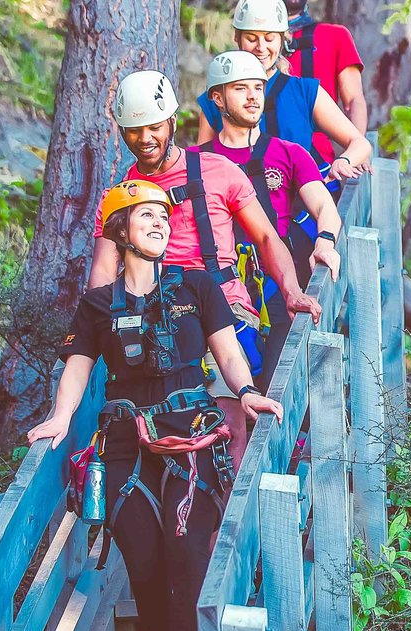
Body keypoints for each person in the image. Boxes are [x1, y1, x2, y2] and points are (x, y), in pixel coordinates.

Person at [29, 179, 282, 631]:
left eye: (164, 217)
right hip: (125, 446)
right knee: (144, 565)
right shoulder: (97, 305)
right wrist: (62, 418)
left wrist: (246, 393)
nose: (159, 224)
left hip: (191, 436)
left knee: (186, 555)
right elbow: (77, 367)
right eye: (145, 216)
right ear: (119, 230)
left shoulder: (198, 287)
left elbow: (228, 349)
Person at [87, 69, 318, 468]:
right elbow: (103, 276)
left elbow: (265, 238)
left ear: (172, 121)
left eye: (154, 127)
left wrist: (292, 290)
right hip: (154, 319)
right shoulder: (118, 200)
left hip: (223, 308)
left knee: (228, 426)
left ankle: (229, 523)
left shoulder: (218, 171)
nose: (145, 139)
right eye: (134, 130)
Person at [197, 49, 343, 386]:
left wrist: (325, 241)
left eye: (258, 88)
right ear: (217, 98)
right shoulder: (195, 162)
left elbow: (324, 206)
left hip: (278, 281)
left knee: (278, 383)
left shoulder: (289, 153)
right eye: (240, 89)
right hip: (218, 288)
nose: (252, 98)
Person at [194, 0, 373, 183]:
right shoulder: (217, 97)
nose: (261, 47)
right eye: (251, 39)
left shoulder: (305, 91)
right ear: (237, 39)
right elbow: (203, 163)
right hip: (239, 205)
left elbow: (360, 143)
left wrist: (344, 161)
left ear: (282, 40)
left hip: (304, 205)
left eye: (269, 38)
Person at [252, 0, 368, 141]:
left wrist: (357, 148)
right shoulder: (254, 42)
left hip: (317, 160)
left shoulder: (335, 36)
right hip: (260, 154)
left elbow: (354, 100)